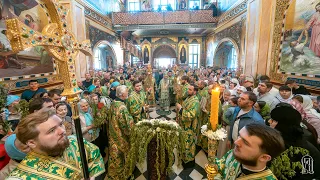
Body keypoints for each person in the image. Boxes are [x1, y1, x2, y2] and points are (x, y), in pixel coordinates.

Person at [6, 108, 105, 179]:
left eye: (60, 124)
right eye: (52, 130)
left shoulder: (74, 141)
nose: (62, 131)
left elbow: (94, 156)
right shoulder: (20, 176)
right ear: (32, 142)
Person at [215, 123, 285, 180]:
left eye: (245, 142)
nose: (236, 142)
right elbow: (219, 169)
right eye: (239, 136)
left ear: (264, 157)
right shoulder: (233, 154)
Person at [269, 105, 320, 179]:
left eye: (273, 120)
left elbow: (307, 175)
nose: (269, 121)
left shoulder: (304, 149)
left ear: (283, 124)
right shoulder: (279, 139)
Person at [108, 85, 134, 179]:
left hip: (113, 134)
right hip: (121, 136)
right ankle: (124, 175)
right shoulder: (122, 107)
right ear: (123, 94)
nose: (128, 93)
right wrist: (132, 132)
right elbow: (127, 124)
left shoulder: (114, 103)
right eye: (127, 92)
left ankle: (115, 173)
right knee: (122, 154)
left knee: (115, 155)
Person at [176, 84, 200, 167]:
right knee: (183, 142)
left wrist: (180, 109)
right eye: (188, 89)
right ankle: (183, 157)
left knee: (188, 144)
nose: (188, 91)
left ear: (195, 91)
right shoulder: (188, 97)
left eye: (190, 89)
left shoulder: (195, 102)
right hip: (184, 126)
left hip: (189, 128)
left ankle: (188, 161)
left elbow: (191, 115)